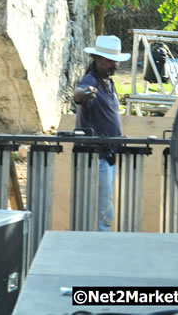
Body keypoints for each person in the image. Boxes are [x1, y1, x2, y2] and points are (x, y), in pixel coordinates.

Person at [73, 35, 130, 231]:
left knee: (104, 207)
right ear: (97, 59)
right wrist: (85, 93)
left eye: (115, 60)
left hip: (108, 153)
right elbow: (78, 94)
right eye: (109, 60)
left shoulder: (108, 83)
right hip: (97, 155)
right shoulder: (91, 80)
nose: (114, 64)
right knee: (105, 211)